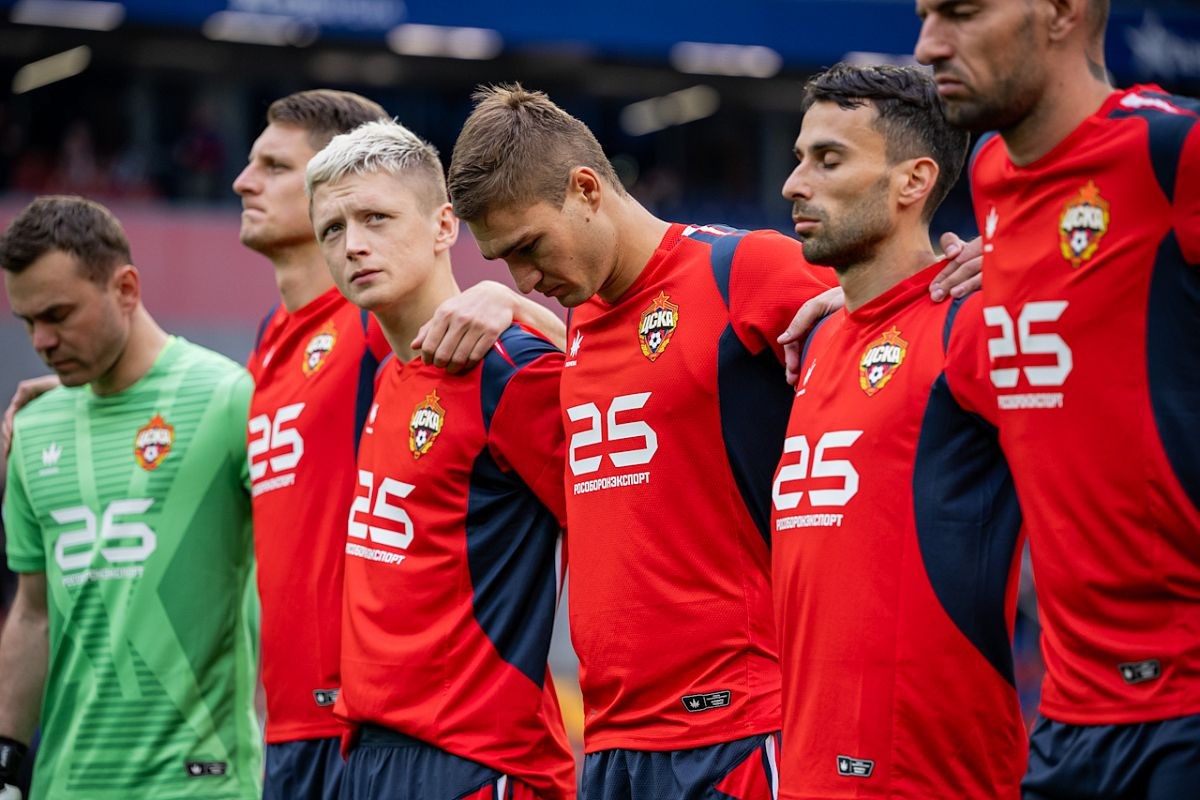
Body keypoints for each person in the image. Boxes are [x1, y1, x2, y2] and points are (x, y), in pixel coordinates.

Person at [447, 84, 982, 799]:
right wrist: (514, 307)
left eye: (529, 248)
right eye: (503, 263)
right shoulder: (579, 320)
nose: (526, 278)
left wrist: (986, 267)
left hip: (735, 729)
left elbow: (892, 317)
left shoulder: (744, 270)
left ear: (586, 190)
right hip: (612, 741)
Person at [232, 89, 567, 800]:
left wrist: (526, 311)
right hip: (369, 751)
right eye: (333, 229)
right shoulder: (388, 377)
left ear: (445, 225)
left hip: (478, 759)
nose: (352, 244)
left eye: (376, 219)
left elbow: (631, 515)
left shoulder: (510, 367)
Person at [915, 2, 1200, 798]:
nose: (928, 43)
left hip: (1184, 713)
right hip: (1070, 720)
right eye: (925, 13)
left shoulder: (1170, 151)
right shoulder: (991, 177)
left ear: (1064, 12)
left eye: (961, 12)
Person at [771, 62, 1025, 798]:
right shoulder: (817, 338)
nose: (793, 184)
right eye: (798, 158)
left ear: (913, 181)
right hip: (806, 770)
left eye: (828, 159)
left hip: (927, 777)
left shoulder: (973, 324)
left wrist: (1035, 272)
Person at [0, 196, 260, 799]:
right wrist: (6, 760)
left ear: (126, 288)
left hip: (200, 784)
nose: (42, 340)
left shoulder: (229, 399)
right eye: (27, 322)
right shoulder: (33, 426)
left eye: (58, 314)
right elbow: (32, 613)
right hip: (67, 783)